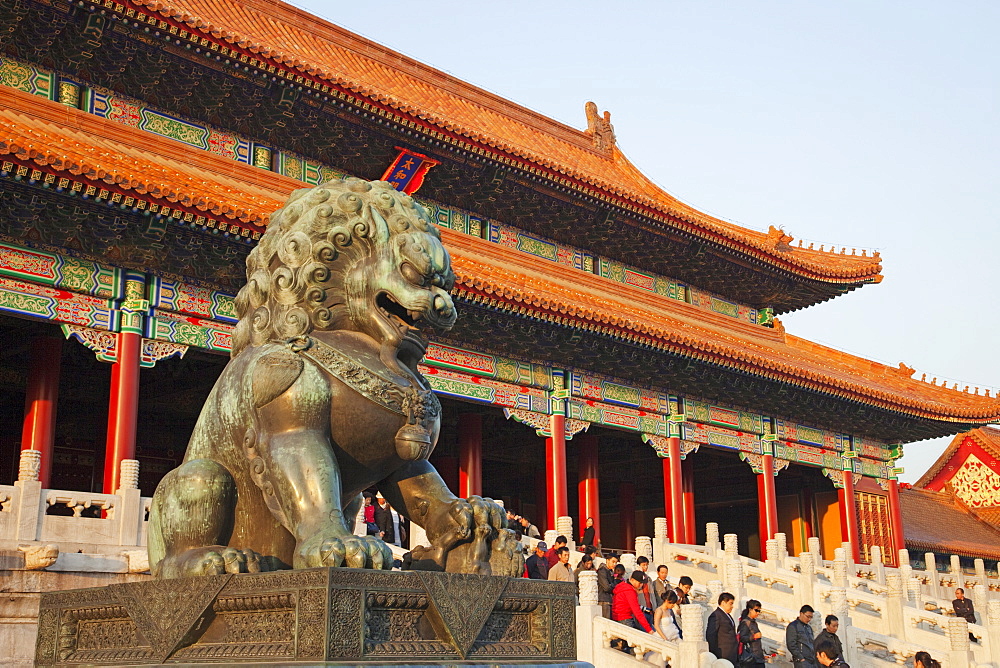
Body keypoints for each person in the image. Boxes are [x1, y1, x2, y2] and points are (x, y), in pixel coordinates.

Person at [706, 592, 738, 664]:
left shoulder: (728, 616)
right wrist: (716, 654)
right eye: (730, 603)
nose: (732, 606)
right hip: (723, 654)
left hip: (731, 653)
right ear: (723, 603)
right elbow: (711, 635)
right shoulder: (716, 615)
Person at [737, 599, 765, 667]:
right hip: (751, 658)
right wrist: (754, 636)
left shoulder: (753, 622)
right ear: (750, 609)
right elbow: (742, 638)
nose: (758, 613)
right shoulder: (746, 622)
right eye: (756, 610)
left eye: (759, 611)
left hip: (758, 657)